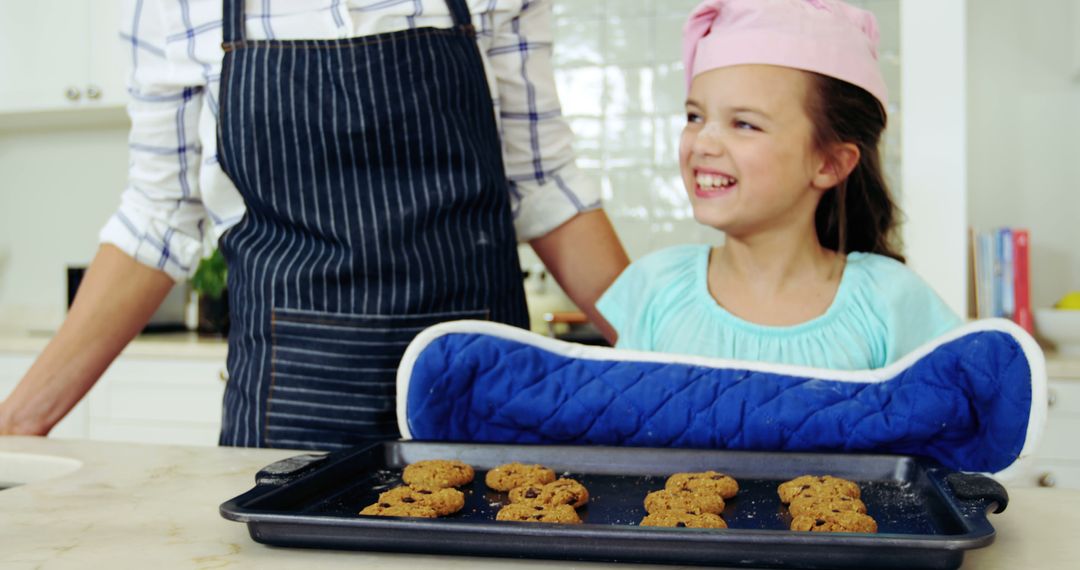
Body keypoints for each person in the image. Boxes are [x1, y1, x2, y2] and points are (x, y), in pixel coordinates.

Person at [0, 0, 628, 450]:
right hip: (287, 408)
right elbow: (158, 219)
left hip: (480, 394)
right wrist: (16, 425)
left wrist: (703, 378)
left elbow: (547, 188)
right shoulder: (169, 8)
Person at [596, 0, 962, 369]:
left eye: (744, 124)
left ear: (830, 163)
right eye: (695, 116)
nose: (702, 143)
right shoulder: (655, 289)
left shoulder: (892, 302)